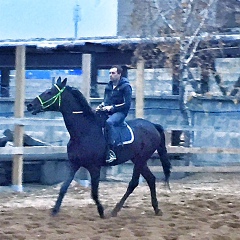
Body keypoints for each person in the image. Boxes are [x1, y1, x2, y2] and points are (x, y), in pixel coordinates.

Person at [96, 65, 132, 163]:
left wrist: (112, 107)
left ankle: (111, 151)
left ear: (119, 74)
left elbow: (127, 104)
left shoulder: (126, 87)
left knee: (109, 123)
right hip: (109, 110)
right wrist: (101, 106)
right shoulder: (108, 86)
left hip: (120, 112)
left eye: (113, 73)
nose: (110, 75)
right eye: (109, 73)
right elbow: (106, 101)